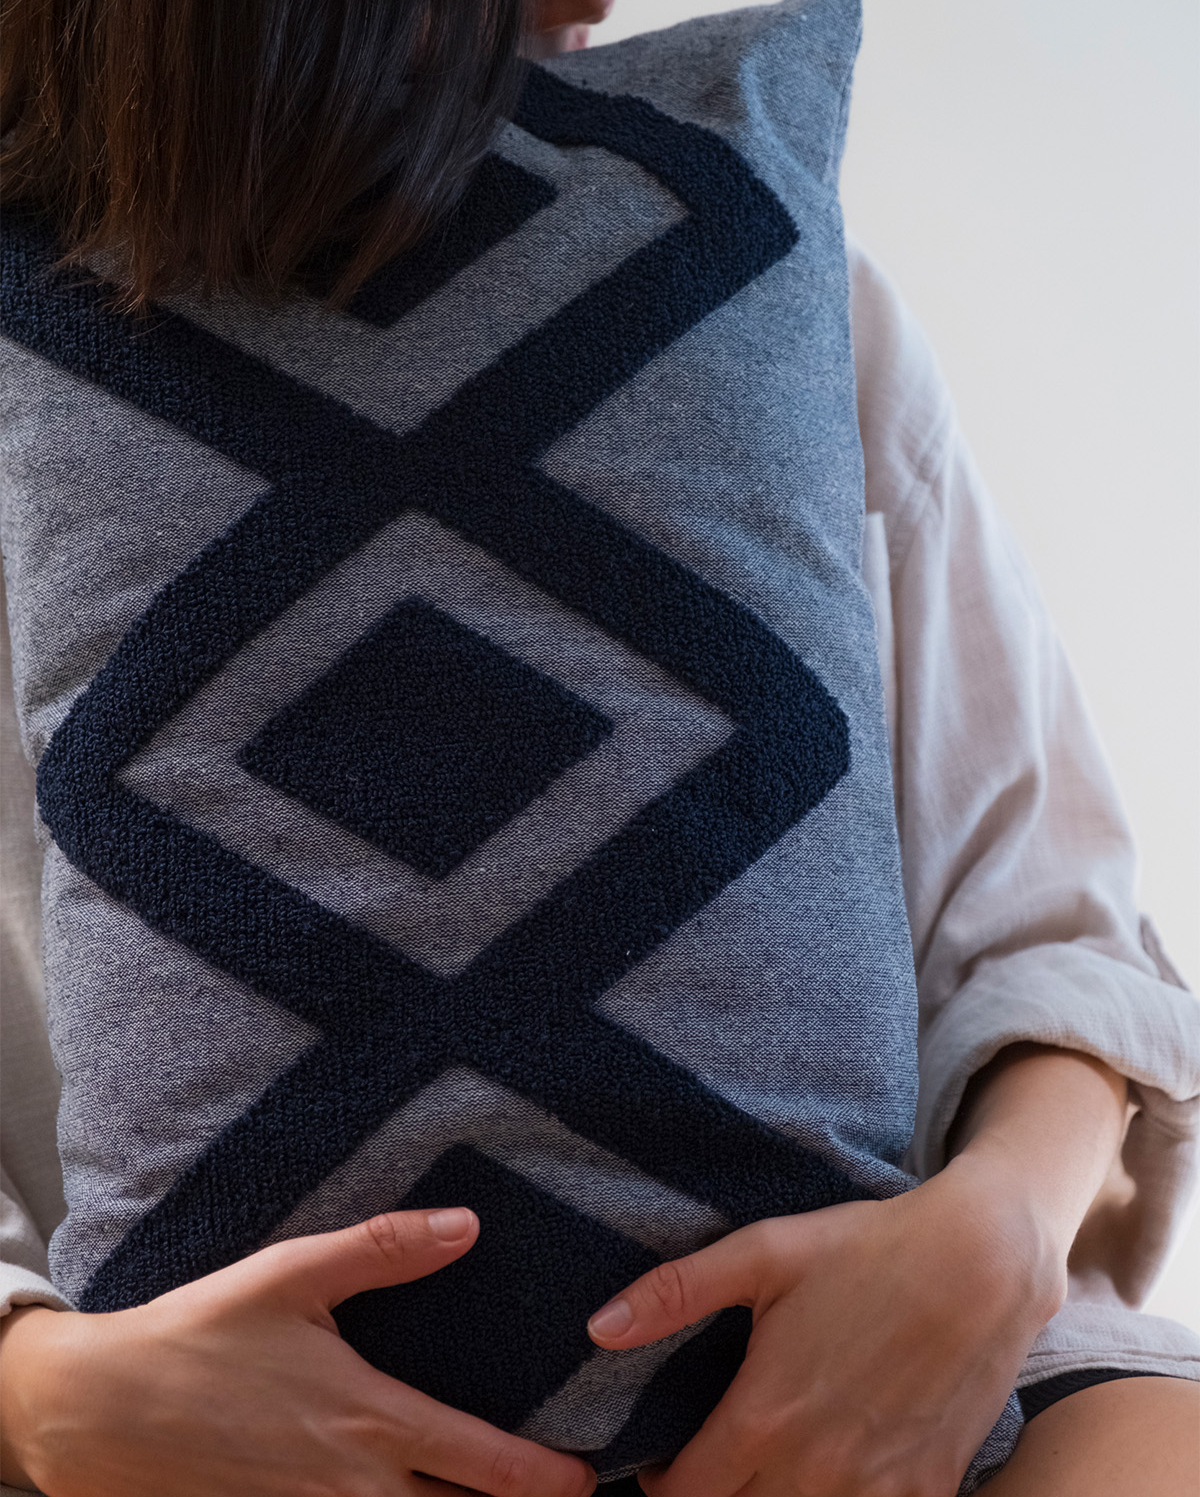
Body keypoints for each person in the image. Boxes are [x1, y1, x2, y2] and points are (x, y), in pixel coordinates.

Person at [1, 2, 1198, 1495]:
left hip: (884, 1362)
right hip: (157, 1413)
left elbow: (1049, 930)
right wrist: (39, 1395)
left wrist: (1001, 1233)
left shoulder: (750, 262)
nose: (592, 9)